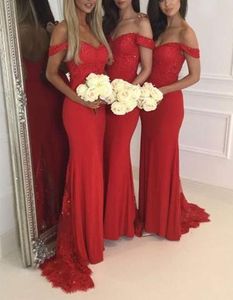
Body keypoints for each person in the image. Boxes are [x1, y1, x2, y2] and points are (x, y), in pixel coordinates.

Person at [40, 0, 112, 293]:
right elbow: (51, 73)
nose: (89, 0)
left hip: (100, 112)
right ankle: (82, 244)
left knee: (94, 172)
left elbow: (103, 70)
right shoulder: (63, 29)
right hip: (78, 111)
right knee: (85, 171)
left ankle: (92, 236)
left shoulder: (96, 28)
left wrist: (105, 93)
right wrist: (80, 98)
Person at [137, 0, 210, 240]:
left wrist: (163, 91)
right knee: (150, 155)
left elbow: (195, 76)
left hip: (168, 104)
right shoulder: (157, 30)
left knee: (164, 158)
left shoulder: (186, 32)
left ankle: (161, 219)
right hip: (149, 104)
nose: (167, 3)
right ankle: (150, 214)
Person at [102, 0, 154, 240]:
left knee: (118, 155)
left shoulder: (141, 23)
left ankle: (118, 222)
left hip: (126, 103)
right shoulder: (107, 23)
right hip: (104, 100)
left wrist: (126, 93)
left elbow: (146, 69)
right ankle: (107, 218)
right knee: (106, 155)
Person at [16, 0, 68, 233]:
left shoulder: (16, 33)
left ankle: (44, 217)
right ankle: (61, 210)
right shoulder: (53, 30)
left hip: (35, 96)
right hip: (56, 93)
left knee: (39, 152)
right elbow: (64, 69)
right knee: (57, 150)